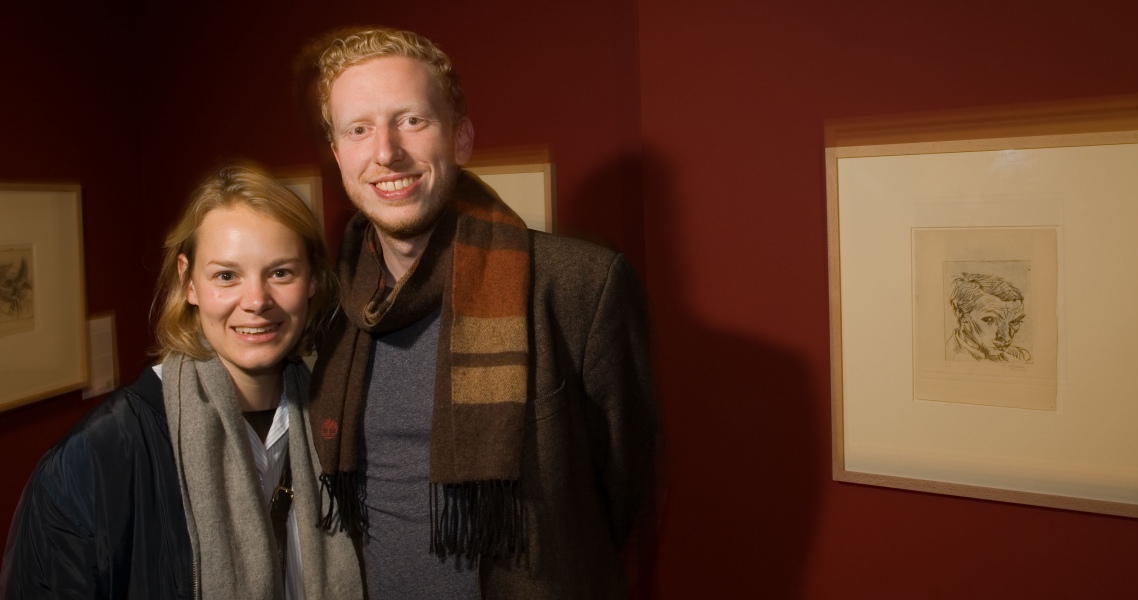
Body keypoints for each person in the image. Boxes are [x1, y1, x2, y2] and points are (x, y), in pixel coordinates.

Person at [305, 28, 660, 598]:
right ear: (338, 153)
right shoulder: (325, 307)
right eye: (358, 129)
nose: (386, 152)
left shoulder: (579, 285)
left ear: (461, 138)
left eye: (412, 120)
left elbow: (628, 490)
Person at [0, 165, 363, 599]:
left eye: (280, 272)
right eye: (226, 275)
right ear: (188, 281)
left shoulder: (339, 423)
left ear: (313, 280)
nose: (256, 301)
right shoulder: (94, 460)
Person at [946, 272, 1031, 362]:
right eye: (990, 320)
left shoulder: (1021, 356)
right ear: (961, 313)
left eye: (1014, 322)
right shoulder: (950, 356)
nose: (1007, 338)